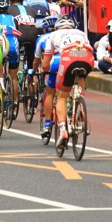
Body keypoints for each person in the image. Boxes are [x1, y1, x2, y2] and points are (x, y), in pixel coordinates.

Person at [42, 15, 94, 149]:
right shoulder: (81, 33)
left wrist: (45, 70)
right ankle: (80, 103)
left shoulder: (53, 35)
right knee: (81, 76)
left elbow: (46, 62)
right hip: (88, 59)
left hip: (67, 59)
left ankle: (63, 130)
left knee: (61, 96)